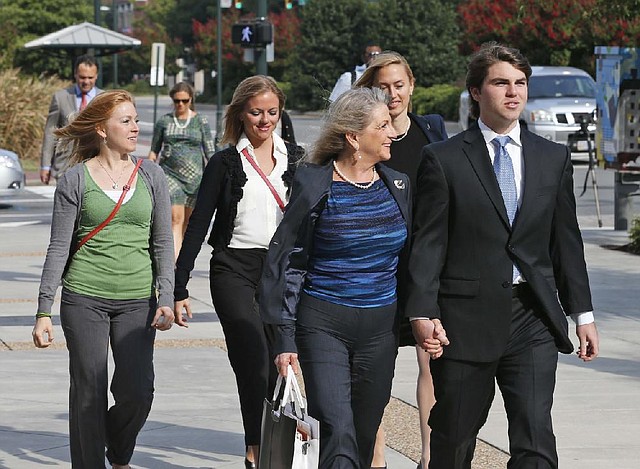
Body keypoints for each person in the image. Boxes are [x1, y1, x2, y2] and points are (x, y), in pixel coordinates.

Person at [405, 42, 600, 469]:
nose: (513, 92)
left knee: (536, 443)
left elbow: (565, 241)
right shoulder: (443, 159)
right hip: (464, 322)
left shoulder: (553, 158)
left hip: (533, 318)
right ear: (476, 92)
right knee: (454, 439)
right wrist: (421, 310)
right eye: (500, 83)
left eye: (520, 83)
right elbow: (428, 242)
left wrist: (582, 314)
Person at [260, 88, 439, 469]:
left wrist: (424, 314)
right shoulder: (314, 183)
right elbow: (290, 262)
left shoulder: (398, 184)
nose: (392, 132)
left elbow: (412, 262)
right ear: (354, 137)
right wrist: (284, 337)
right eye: (383, 125)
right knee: (337, 429)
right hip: (323, 324)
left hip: (380, 329)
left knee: (363, 428)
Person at [32, 90, 175, 468]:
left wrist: (166, 296)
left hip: (137, 300)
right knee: (88, 392)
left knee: (137, 390)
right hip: (84, 297)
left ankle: (117, 446)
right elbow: (58, 247)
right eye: (125, 120)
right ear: (101, 129)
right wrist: (43, 309)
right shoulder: (75, 179)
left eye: (135, 120)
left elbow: (162, 242)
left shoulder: (152, 175)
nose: (135, 127)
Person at [173, 75, 305, 469]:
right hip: (233, 267)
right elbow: (198, 225)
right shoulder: (225, 161)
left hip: (281, 269)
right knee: (253, 355)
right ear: (240, 114)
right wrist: (179, 286)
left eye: (271, 112)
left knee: (282, 361)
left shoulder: (297, 159)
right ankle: (254, 446)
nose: (264, 120)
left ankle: (277, 445)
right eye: (255, 112)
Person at [355, 50, 448, 469]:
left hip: (425, 268)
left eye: (398, 84)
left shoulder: (433, 133)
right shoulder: (358, 135)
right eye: (382, 86)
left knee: (431, 366)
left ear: (411, 85)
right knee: (376, 372)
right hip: (378, 268)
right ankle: (376, 456)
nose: (392, 94)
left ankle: (429, 458)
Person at [148, 81, 216, 258]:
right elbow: (154, 149)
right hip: (170, 174)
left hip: (195, 179)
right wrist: (148, 169)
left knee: (187, 222)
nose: (180, 104)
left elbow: (210, 150)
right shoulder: (164, 121)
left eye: (184, 101)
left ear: (191, 99)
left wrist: (215, 175)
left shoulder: (201, 121)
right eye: (177, 101)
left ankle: (183, 260)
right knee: (175, 219)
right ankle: (174, 264)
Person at [41, 54, 102, 184]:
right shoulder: (61, 97)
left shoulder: (104, 98)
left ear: (96, 76)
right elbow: (50, 132)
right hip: (65, 165)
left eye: (90, 77)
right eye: (82, 77)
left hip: (97, 163)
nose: (86, 81)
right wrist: (45, 165)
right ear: (75, 75)